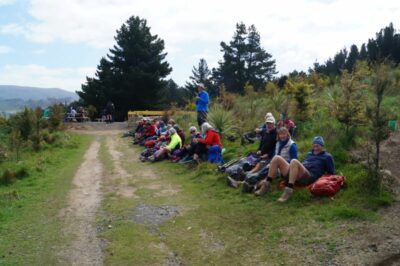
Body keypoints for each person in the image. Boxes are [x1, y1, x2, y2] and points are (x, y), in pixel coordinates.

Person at [255, 136, 335, 202]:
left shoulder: (327, 156)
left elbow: (331, 173)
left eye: (318, 146)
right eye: (314, 146)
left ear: (322, 146)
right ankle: (266, 186)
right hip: (298, 173)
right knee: (276, 158)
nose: (315, 148)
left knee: (294, 161)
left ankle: (288, 190)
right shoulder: (309, 154)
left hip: (309, 176)